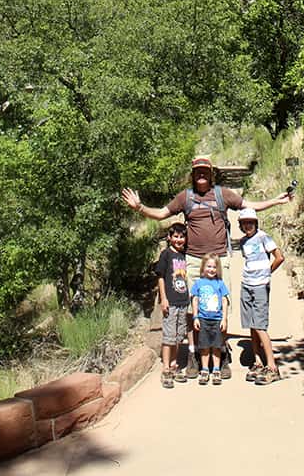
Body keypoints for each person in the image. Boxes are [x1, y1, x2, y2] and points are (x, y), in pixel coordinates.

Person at [122, 154, 290, 379]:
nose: (201, 174)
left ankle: (220, 354)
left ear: (211, 174)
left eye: (205, 171)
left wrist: (276, 201)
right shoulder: (186, 197)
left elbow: (250, 206)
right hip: (192, 260)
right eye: (197, 171)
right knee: (194, 311)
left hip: (220, 259)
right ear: (193, 175)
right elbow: (162, 213)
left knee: (220, 306)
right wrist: (139, 207)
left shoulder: (223, 195)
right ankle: (194, 354)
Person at [238, 206, 284, 385]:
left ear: (255, 223)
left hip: (260, 285)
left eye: (250, 222)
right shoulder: (243, 242)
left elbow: (279, 257)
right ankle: (257, 361)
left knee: (259, 324)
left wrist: (267, 273)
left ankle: (272, 366)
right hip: (247, 283)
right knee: (251, 322)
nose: (248, 226)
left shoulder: (263, 237)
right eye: (244, 223)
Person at [154, 222, 190, 389]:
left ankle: (175, 365)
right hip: (171, 301)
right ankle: (166, 368)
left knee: (178, 335)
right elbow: (160, 277)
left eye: (181, 236)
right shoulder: (166, 255)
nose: (178, 239)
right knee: (169, 336)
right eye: (175, 236)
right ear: (169, 238)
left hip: (183, 301)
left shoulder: (184, 256)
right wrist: (164, 298)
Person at [190, 253, 230, 385]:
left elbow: (224, 301)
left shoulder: (220, 283)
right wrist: (195, 317)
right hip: (203, 319)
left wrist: (224, 319)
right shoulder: (199, 283)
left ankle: (216, 369)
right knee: (205, 346)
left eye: (214, 267)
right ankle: (205, 369)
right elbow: (195, 300)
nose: (211, 269)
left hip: (217, 319)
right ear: (203, 268)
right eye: (208, 266)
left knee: (216, 346)